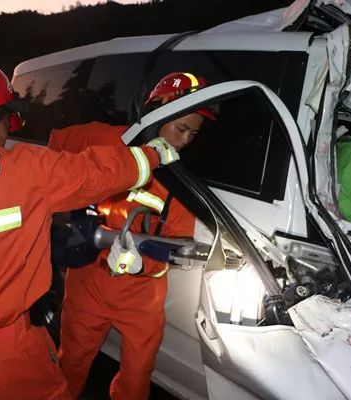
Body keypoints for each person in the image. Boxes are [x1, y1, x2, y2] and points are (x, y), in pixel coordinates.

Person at [0, 53, 178, 399]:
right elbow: (95, 172)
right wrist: (154, 154)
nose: (6, 137)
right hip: (2, 367)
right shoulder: (20, 170)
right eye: (7, 123)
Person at [48, 72, 215, 400]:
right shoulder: (105, 140)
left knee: (136, 380)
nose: (183, 141)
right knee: (70, 366)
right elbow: (51, 151)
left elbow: (179, 243)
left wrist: (143, 264)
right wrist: (68, 207)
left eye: (192, 134)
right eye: (180, 128)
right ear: (158, 113)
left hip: (141, 298)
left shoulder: (179, 182)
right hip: (88, 286)